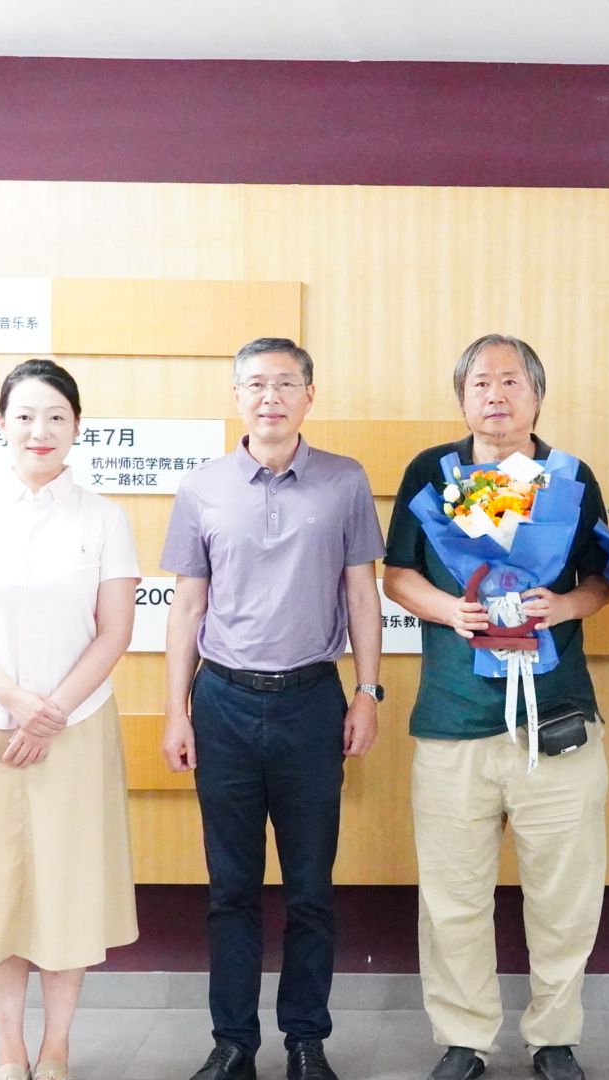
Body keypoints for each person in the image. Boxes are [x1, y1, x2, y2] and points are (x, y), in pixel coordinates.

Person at [382, 334, 609, 1080]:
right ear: (462, 396)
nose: (495, 394)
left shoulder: (572, 477)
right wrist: (450, 610)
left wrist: (563, 605)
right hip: (454, 719)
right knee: (452, 895)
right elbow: (396, 575)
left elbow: (603, 580)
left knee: (565, 894)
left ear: (537, 395)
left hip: (558, 718)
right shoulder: (432, 471)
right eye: (480, 382)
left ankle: (555, 1036)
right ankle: (464, 1038)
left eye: (511, 381)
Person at [160, 338, 386, 1080]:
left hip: (311, 701)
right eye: (256, 384)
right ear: (236, 396)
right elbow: (186, 604)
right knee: (230, 889)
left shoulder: (345, 480)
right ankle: (233, 1042)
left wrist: (367, 691)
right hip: (222, 701)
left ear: (309, 396)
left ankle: (306, 1041)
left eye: (286, 384)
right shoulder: (202, 487)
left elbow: (363, 595)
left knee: (311, 889)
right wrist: (175, 710)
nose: (271, 397)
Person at [0, 359, 140, 1080]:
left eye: (56, 417)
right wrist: (15, 701)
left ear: (77, 427)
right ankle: (10, 1050)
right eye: (25, 416)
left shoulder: (104, 518)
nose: (40, 430)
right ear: (1, 424)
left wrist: (52, 712)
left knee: (67, 893)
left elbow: (115, 630)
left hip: (76, 728)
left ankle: (57, 1048)